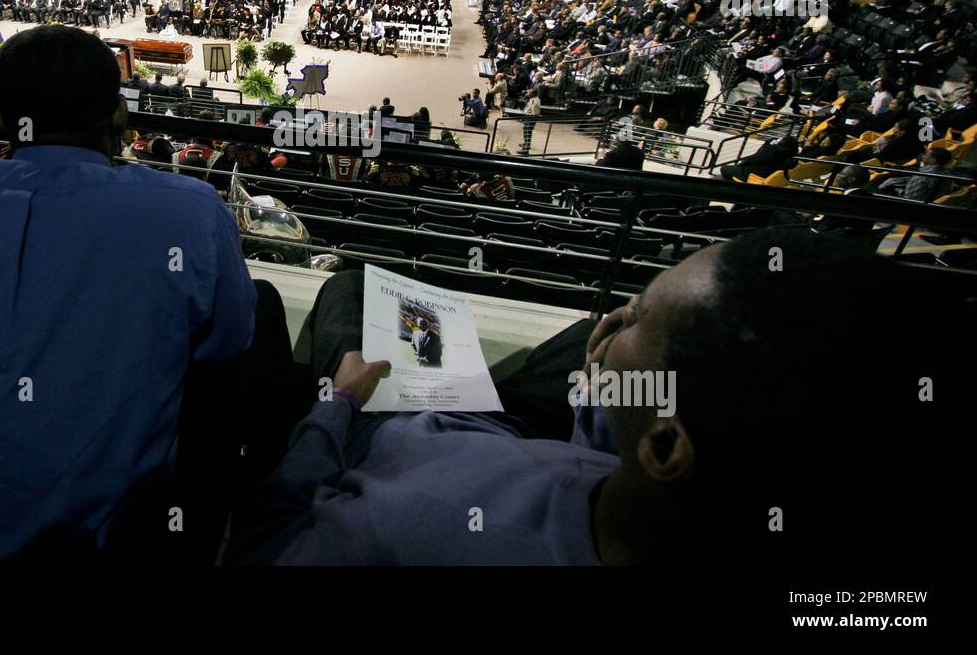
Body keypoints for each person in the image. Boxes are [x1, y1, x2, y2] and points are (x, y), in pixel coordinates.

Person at [228, 229, 945, 565]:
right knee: (570, 336)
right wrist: (600, 406)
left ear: (665, 444)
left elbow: (263, 539)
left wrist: (340, 407)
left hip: (401, 432)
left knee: (353, 286)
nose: (615, 315)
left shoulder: (413, 530)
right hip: (526, 441)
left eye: (637, 319)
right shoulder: (688, 499)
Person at [0, 26, 291, 563]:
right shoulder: (188, 211)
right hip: (100, 541)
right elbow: (227, 343)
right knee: (261, 307)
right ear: (120, 118)